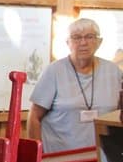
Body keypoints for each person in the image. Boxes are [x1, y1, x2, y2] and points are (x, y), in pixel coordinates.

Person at [28, 17, 122, 153]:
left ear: (99, 42)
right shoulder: (54, 71)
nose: (83, 42)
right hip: (59, 159)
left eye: (89, 37)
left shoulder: (113, 71)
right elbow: (34, 117)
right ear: (68, 43)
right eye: (76, 37)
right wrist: (37, 156)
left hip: (103, 159)